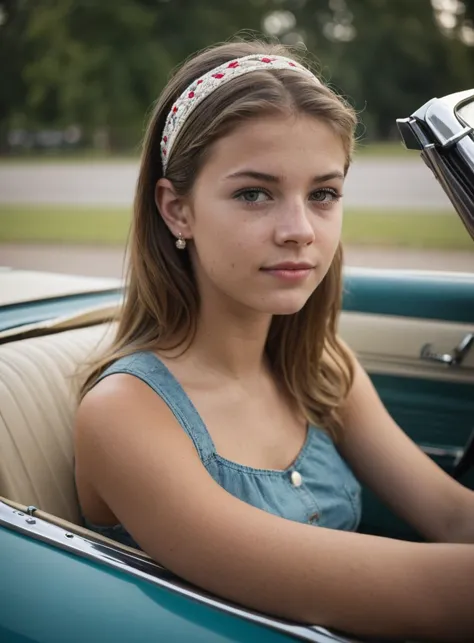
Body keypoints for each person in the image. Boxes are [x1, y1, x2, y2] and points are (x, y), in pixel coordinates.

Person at [74, 39, 474, 640]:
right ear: (176, 210)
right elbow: (431, 596)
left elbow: (450, 515)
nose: (299, 231)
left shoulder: (320, 368)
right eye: (253, 193)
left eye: (323, 194)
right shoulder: (126, 414)